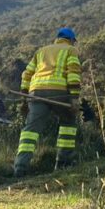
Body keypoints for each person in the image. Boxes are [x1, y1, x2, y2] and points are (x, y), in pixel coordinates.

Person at [14, 27, 82, 177]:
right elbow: (73, 73)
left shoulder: (41, 51)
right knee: (68, 124)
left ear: (57, 38)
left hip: (36, 93)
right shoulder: (70, 50)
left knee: (30, 131)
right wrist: (74, 98)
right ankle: (63, 163)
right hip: (59, 93)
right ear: (71, 40)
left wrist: (24, 96)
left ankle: (20, 167)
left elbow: (27, 74)